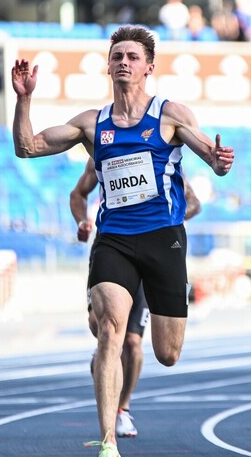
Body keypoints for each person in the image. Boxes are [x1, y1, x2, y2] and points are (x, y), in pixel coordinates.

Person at [12, 25, 233, 456]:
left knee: (167, 353)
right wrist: (24, 99)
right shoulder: (92, 124)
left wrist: (221, 161)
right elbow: (27, 147)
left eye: (133, 57)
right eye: (117, 57)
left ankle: (118, 395)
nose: (124, 63)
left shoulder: (170, 115)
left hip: (163, 238)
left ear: (149, 67)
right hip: (114, 239)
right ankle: (108, 441)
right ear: (108, 66)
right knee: (111, 332)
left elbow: (213, 158)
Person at [70, 157, 201, 439]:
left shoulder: (161, 159)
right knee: (103, 329)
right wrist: (82, 221)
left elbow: (194, 203)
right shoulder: (102, 152)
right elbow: (77, 193)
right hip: (113, 247)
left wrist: (167, 218)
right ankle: (106, 358)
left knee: (134, 342)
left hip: (153, 250)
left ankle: (123, 408)